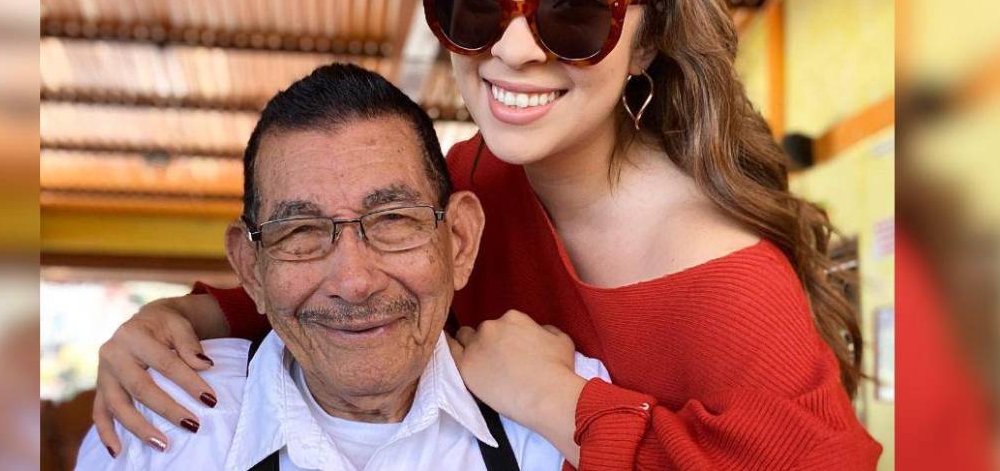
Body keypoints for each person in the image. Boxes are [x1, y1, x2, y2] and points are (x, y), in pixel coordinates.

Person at [92, 0, 882, 468]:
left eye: (574, 11)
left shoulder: (727, 280)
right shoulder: (481, 179)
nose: (513, 48)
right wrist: (173, 321)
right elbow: (354, 282)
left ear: (649, 40)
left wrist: (563, 404)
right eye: (479, 0)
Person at [75, 64, 609, 470]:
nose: (354, 282)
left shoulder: (558, 420)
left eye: (393, 219)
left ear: (459, 242)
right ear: (251, 268)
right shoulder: (153, 428)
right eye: (301, 231)